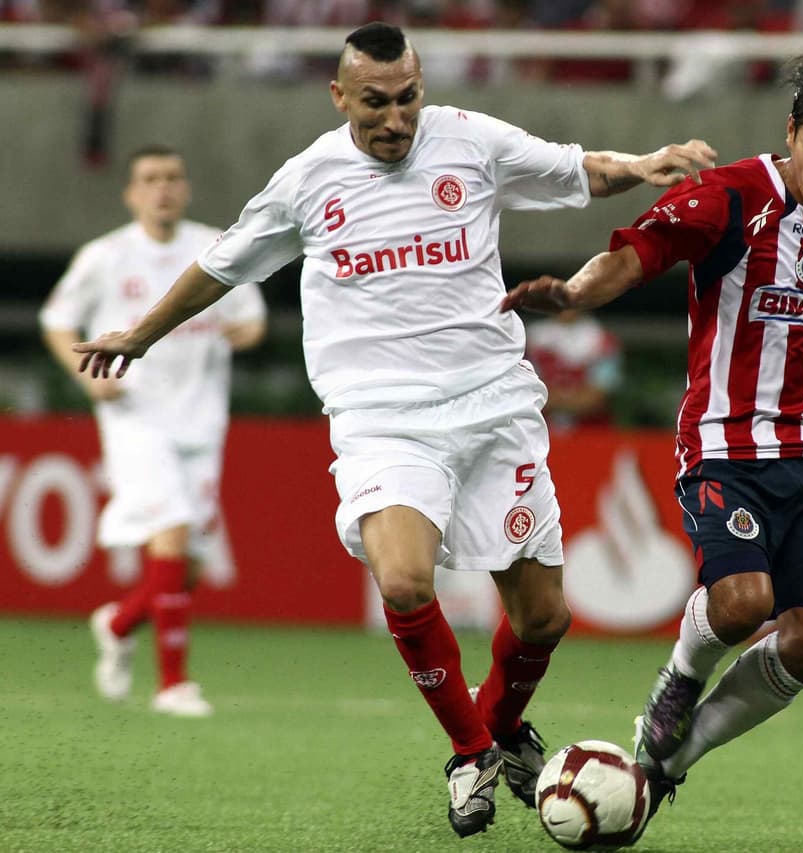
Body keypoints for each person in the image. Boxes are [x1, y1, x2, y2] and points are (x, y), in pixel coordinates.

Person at [70, 21, 716, 838]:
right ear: (339, 96)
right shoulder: (308, 179)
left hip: (493, 405)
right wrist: (138, 334)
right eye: (375, 102)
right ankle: (471, 751)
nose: (396, 119)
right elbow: (221, 266)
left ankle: (504, 727)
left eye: (408, 97)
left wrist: (643, 164)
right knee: (405, 582)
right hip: (382, 419)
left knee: (546, 616)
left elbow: (573, 169)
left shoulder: (470, 141)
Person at [501, 46, 803, 830]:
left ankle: (665, 764)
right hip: (725, 443)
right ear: (789, 130)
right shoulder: (727, 197)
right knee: (742, 602)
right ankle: (677, 682)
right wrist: (577, 291)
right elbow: (637, 255)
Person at [40, 144, 267, 718]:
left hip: (201, 420)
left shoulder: (213, 247)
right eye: (150, 179)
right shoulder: (105, 256)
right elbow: (56, 320)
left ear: (185, 188)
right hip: (135, 418)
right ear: (131, 193)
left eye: (172, 177)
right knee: (171, 527)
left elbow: (251, 317)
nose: (162, 188)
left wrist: (245, 333)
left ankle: (118, 624)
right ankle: (173, 685)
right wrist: (85, 379)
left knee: (187, 565)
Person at [525, 309, 623, 428]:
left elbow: (598, 396)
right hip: (539, 430)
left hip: (590, 430)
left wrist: (554, 399)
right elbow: (526, 391)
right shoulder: (531, 339)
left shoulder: (602, 339)